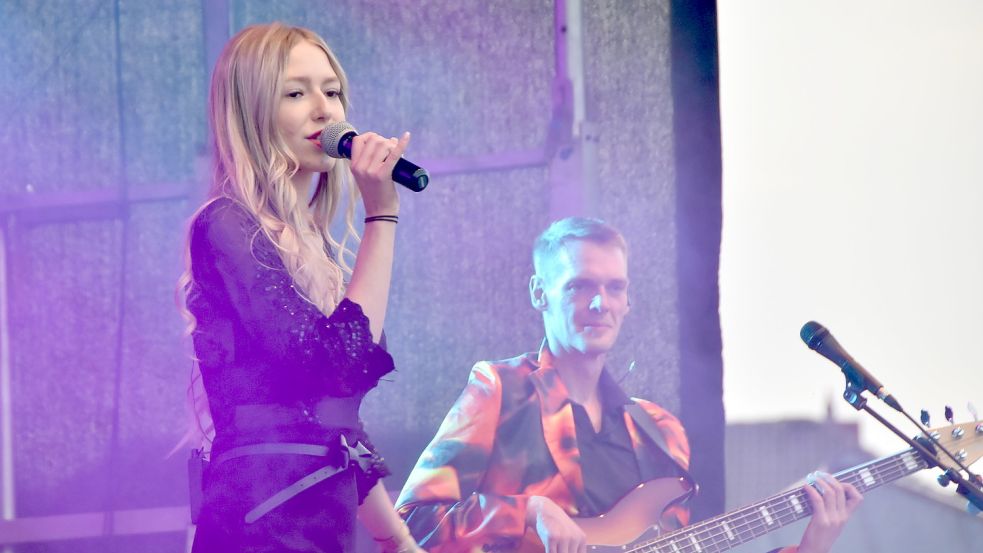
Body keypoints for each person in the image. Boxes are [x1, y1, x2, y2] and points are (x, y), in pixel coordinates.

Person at [395, 217, 863, 553]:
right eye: (580, 286)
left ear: (628, 300)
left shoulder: (662, 431)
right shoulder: (501, 389)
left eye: (615, 287)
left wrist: (810, 547)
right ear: (540, 293)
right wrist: (529, 512)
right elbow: (410, 523)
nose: (601, 302)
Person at [179, 22, 420, 552]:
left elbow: (335, 422)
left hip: (320, 526)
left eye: (332, 92)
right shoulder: (226, 226)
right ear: (250, 113)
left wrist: (398, 540)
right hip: (262, 524)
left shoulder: (314, 249)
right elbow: (335, 366)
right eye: (296, 92)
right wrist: (382, 216)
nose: (324, 109)